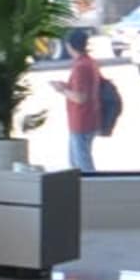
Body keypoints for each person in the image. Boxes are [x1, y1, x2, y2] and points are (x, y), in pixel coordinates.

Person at [60, 25, 106, 174]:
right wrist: (67, 86)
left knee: (81, 164)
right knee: (77, 161)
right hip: (88, 119)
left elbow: (80, 97)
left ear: (69, 45)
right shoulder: (89, 62)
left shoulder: (80, 66)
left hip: (81, 120)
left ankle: (90, 192)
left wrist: (62, 90)